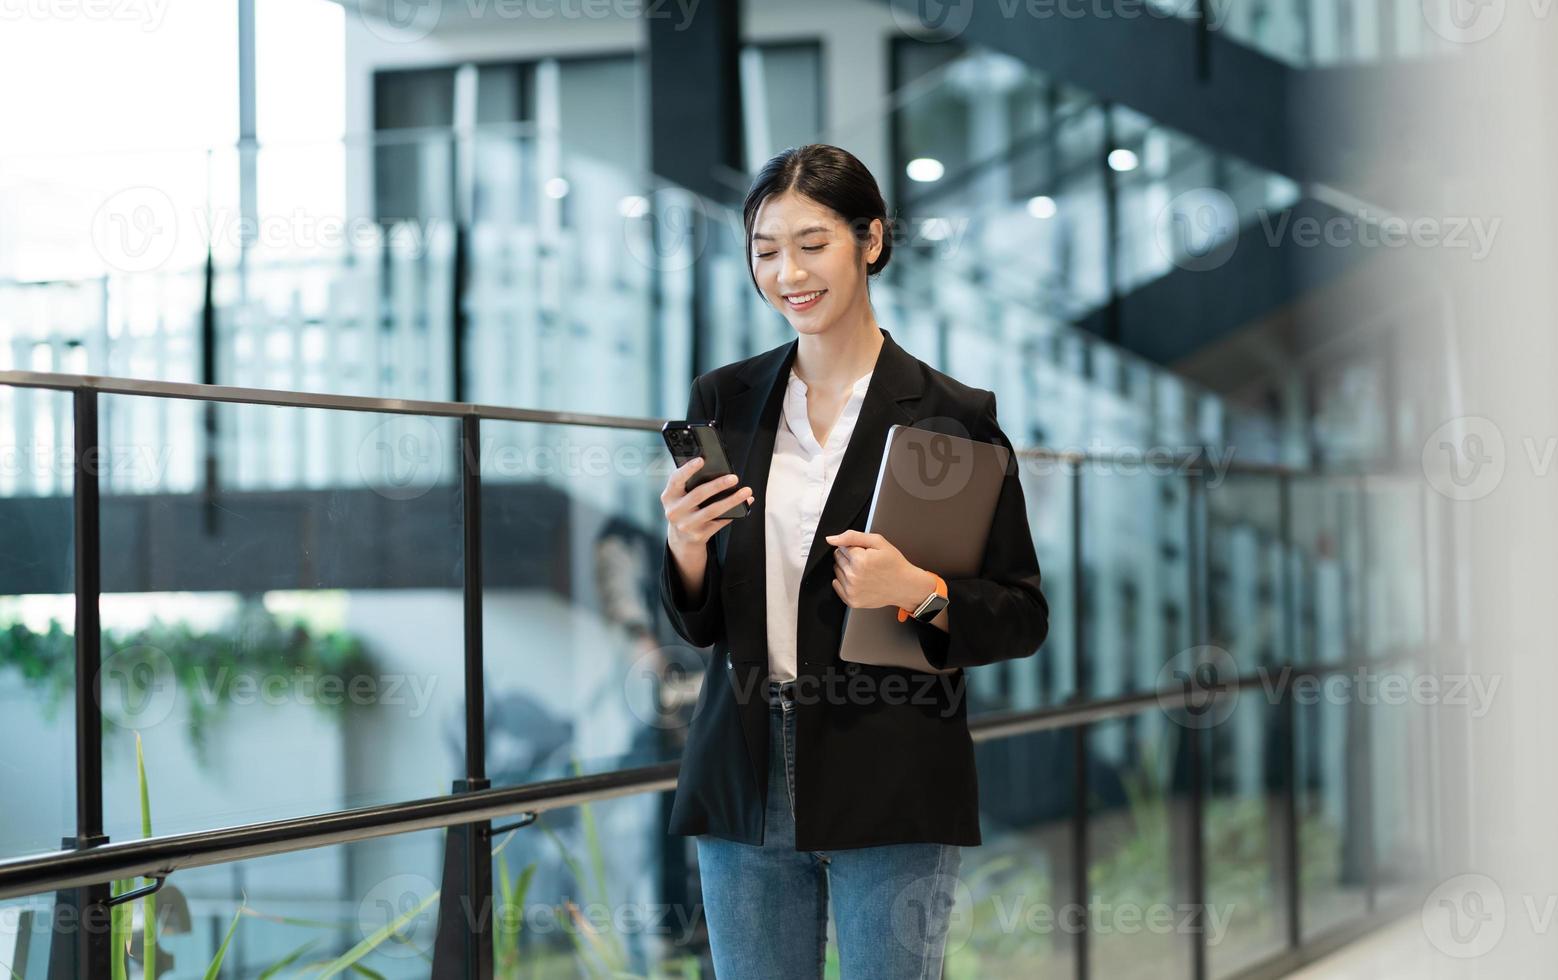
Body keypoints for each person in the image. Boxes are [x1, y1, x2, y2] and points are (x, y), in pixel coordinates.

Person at [657, 143, 1050, 978]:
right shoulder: (722, 400)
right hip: (745, 761)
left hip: (893, 764)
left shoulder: (952, 415)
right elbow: (702, 622)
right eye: (765, 251)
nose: (787, 273)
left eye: (812, 243)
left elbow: (1022, 612)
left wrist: (922, 592)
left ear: (870, 240)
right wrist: (686, 549)